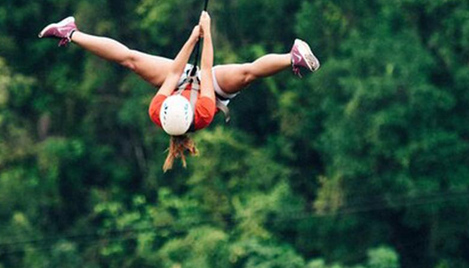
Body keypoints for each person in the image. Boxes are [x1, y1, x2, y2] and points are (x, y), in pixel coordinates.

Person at [38, 11, 320, 171]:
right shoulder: (204, 112)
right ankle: (291, 57)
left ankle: (69, 33)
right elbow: (206, 69)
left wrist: (191, 36)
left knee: (131, 60)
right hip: (211, 87)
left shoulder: (157, 110)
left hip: (182, 77)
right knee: (247, 73)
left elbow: (175, 72)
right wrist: (206, 32)